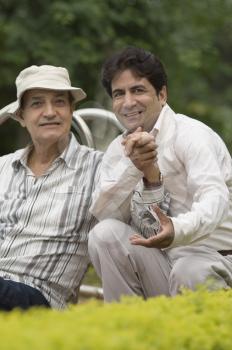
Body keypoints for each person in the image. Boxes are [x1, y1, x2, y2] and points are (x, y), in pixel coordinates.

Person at [88, 46, 232, 302]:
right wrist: (135, 167)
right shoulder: (116, 150)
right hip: (162, 263)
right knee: (105, 233)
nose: (128, 102)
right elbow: (104, 214)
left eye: (138, 90)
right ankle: (130, 333)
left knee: (189, 269)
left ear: (162, 94)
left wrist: (176, 229)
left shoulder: (192, 135)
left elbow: (215, 199)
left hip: (215, 260)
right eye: (119, 94)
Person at [0, 65, 102, 310]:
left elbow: (145, 225)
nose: (49, 112)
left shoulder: (99, 168)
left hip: (40, 295)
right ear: (21, 117)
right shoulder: (2, 167)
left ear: (71, 110)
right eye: (37, 104)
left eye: (59, 102)